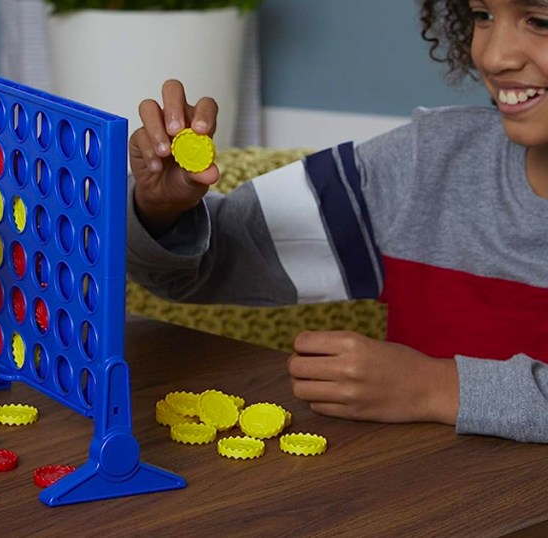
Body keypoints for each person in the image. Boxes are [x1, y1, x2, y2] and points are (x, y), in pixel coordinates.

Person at [126, 0, 548, 442]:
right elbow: (199, 270)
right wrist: (163, 208)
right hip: (411, 497)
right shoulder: (425, 165)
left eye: (539, 20)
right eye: (482, 15)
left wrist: (437, 388)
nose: (497, 55)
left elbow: (436, 391)